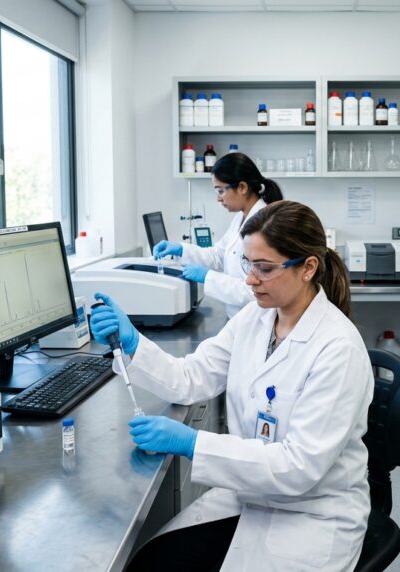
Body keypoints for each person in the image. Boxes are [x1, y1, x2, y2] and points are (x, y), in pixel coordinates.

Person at [90, 200, 373, 571]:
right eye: (248, 264)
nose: (250, 279)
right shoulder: (257, 317)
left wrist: (193, 443)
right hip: (251, 496)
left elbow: (297, 467)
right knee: (152, 561)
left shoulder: (338, 348)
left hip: (312, 514)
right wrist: (134, 344)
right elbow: (191, 377)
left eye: (264, 268)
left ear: (308, 268)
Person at [153, 152, 283, 319]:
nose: (218, 199)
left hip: (257, 320)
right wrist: (181, 249)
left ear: (242, 187)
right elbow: (218, 255)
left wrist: (208, 278)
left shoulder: (265, 224)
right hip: (240, 318)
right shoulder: (241, 218)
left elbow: (256, 290)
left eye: (221, 191)